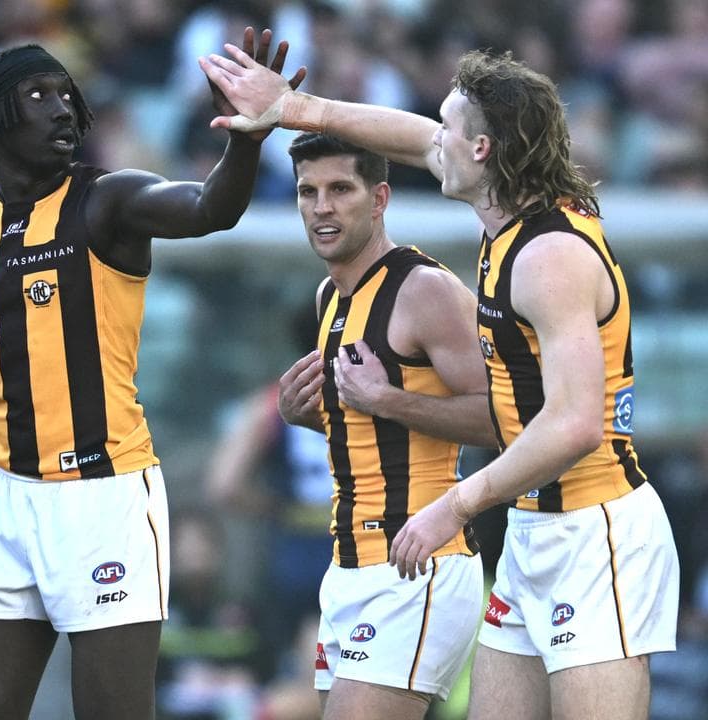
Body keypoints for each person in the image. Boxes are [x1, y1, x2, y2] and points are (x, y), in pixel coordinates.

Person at [203, 41, 680, 720]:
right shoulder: (510, 215)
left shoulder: (548, 256)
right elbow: (412, 136)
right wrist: (294, 109)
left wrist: (455, 505)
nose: (432, 141)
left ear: (482, 151)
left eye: (448, 129)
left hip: (597, 527)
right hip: (533, 527)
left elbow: (574, 424)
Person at [0, 31, 302, 720]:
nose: (62, 108)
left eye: (68, 94)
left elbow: (209, 209)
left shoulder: (109, 201)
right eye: (38, 94)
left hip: (104, 499)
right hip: (0, 503)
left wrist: (247, 140)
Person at [276, 131, 493, 719]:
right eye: (308, 191)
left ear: (379, 199)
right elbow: (374, 430)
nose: (322, 206)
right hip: (346, 563)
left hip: (417, 563)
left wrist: (386, 399)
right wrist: (313, 419)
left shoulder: (424, 288)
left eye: (341, 188)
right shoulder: (330, 296)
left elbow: (507, 419)